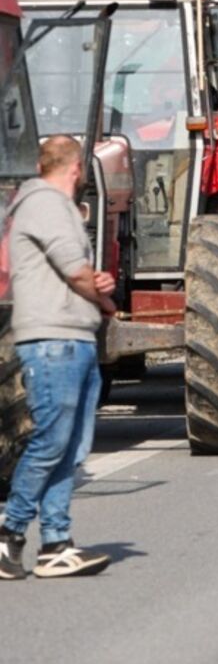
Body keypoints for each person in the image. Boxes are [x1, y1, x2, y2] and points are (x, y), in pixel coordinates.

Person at [0, 136, 114, 580]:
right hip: (54, 341)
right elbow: (73, 270)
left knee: (69, 447)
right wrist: (98, 291)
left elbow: (75, 275)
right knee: (51, 441)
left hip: (71, 336)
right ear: (78, 168)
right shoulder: (48, 204)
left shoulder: (50, 206)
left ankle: (56, 544)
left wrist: (96, 289)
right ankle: (10, 531)